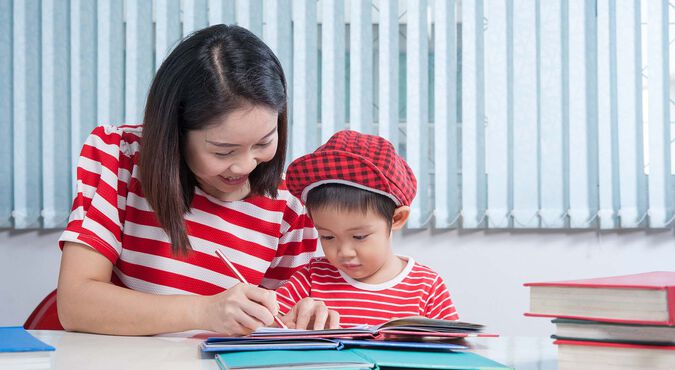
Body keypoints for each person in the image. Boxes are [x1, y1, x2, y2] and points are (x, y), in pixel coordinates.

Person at [56, 24, 338, 336]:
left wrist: (303, 315)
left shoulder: (290, 205)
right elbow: (76, 305)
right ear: (175, 130)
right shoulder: (119, 156)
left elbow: (278, 322)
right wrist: (203, 310)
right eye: (224, 151)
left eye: (263, 143)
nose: (244, 165)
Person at [277, 130, 460, 327]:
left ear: (397, 218)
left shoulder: (426, 287)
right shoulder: (311, 278)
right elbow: (265, 324)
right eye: (328, 237)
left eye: (359, 236)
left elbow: (456, 349)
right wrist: (288, 319)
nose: (344, 252)